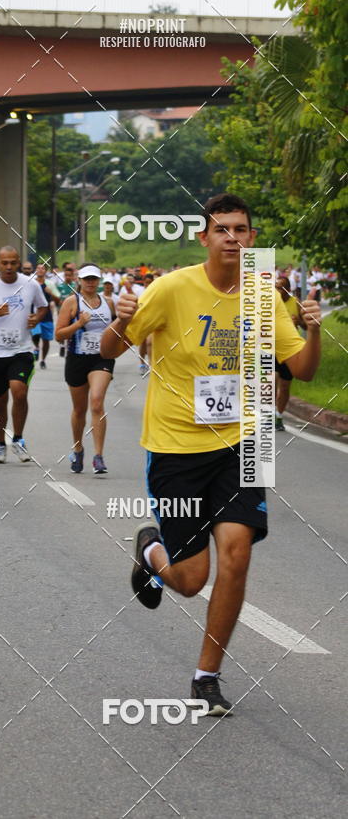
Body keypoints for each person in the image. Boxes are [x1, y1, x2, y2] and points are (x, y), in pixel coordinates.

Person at [101, 192, 322, 716]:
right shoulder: (171, 288)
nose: (232, 238)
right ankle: (151, 552)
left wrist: (313, 329)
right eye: (222, 229)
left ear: (252, 239)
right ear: (203, 238)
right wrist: (119, 320)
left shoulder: (263, 296)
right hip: (176, 447)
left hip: (246, 440)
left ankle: (207, 676)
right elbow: (109, 351)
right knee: (190, 580)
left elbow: (304, 369)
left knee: (238, 553)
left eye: (241, 230)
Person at [0, 247, 48, 463]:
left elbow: (43, 306)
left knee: (19, 392)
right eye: (4, 263)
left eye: (13, 263)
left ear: (19, 263)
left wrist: (37, 318)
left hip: (21, 350)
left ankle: (18, 439)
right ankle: (0, 443)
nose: (9, 267)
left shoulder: (31, 284)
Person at [56, 263, 116, 475]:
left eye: (94, 279)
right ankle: (78, 448)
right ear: (79, 280)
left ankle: (98, 456)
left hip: (101, 359)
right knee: (80, 409)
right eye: (86, 279)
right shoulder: (72, 302)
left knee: (97, 402)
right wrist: (78, 324)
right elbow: (59, 335)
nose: (90, 282)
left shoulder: (109, 303)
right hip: (77, 359)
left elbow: (117, 329)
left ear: (99, 280)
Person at [274, 275, 307, 431]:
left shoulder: (296, 303)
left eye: (281, 287)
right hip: (270, 348)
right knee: (271, 380)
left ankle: (278, 417)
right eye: (276, 287)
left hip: (289, 350)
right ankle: (269, 413)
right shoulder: (270, 302)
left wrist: (298, 322)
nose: (278, 290)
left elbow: (306, 327)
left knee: (285, 386)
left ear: (288, 289)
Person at [31, 263, 60, 368]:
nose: (40, 270)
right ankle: (36, 347)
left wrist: (50, 293)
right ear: (35, 270)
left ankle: (43, 360)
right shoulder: (31, 283)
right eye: (38, 268)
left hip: (47, 315)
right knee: (35, 333)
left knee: (46, 340)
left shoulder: (50, 284)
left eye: (42, 268)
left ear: (46, 271)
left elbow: (58, 299)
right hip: (34, 314)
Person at [55, 262, 77, 357]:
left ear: (72, 276)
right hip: (61, 311)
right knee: (62, 329)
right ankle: (62, 345)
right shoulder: (60, 287)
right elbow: (56, 299)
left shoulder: (75, 287)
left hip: (72, 312)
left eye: (69, 275)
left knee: (69, 329)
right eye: (66, 275)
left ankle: (68, 346)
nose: (68, 277)